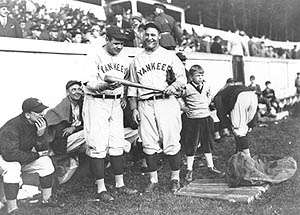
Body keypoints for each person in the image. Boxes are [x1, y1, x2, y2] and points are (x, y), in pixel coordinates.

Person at [128, 22, 187, 193]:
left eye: (153, 35)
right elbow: (132, 88)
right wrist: (133, 109)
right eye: (147, 35)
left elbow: (182, 79)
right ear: (142, 37)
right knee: (148, 143)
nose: (150, 38)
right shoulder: (136, 60)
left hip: (166, 101)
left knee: (171, 141)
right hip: (145, 103)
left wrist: (173, 87)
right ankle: (153, 180)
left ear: (159, 37)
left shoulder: (170, 56)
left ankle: (175, 178)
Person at [83, 25, 137, 202]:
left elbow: (128, 80)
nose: (119, 47)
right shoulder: (94, 55)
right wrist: (105, 85)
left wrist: (122, 95)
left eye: (122, 44)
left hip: (115, 102)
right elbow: (89, 83)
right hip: (96, 101)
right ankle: (101, 188)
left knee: (116, 143)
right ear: (107, 39)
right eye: (116, 43)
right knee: (98, 145)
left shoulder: (124, 57)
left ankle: (120, 184)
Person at [0, 98, 62, 214]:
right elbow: (10, 155)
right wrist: (36, 155)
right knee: (13, 168)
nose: (42, 115)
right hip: (4, 158)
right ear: (28, 115)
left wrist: (41, 135)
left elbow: (43, 150)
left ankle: (46, 200)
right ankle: (12, 209)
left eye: (42, 111)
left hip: (21, 157)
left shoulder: (39, 124)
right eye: (38, 112)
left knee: (45, 162)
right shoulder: (12, 126)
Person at [180, 65, 224, 182]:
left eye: (201, 75)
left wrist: (206, 103)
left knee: (207, 142)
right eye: (197, 76)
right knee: (192, 144)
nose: (200, 78)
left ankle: (211, 166)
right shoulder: (187, 87)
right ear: (191, 77)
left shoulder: (206, 85)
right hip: (193, 120)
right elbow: (178, 97)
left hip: (205, 118)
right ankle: (189, 169)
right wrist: (183, 107)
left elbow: (210, 95)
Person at [214, 81, 258, 157]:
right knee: (244, 127)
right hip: (252, 95)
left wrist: (228, 126)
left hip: (240, 97)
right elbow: (254, 112)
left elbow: (221, 114)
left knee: (238, 130)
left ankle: (247, 157)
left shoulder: (217, 97)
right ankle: (240, 151)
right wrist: (251, 124)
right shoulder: (227, 91)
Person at [44, 80, 85, 155]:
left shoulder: (82, 104)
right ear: (67, 92)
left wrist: (74, 128)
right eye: (73, 90)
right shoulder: (63, 106)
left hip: (74, 135)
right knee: (88, 134)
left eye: (79, 89)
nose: (77, 92)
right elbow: (58, 128)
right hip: (61, 142)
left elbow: (86, 123)